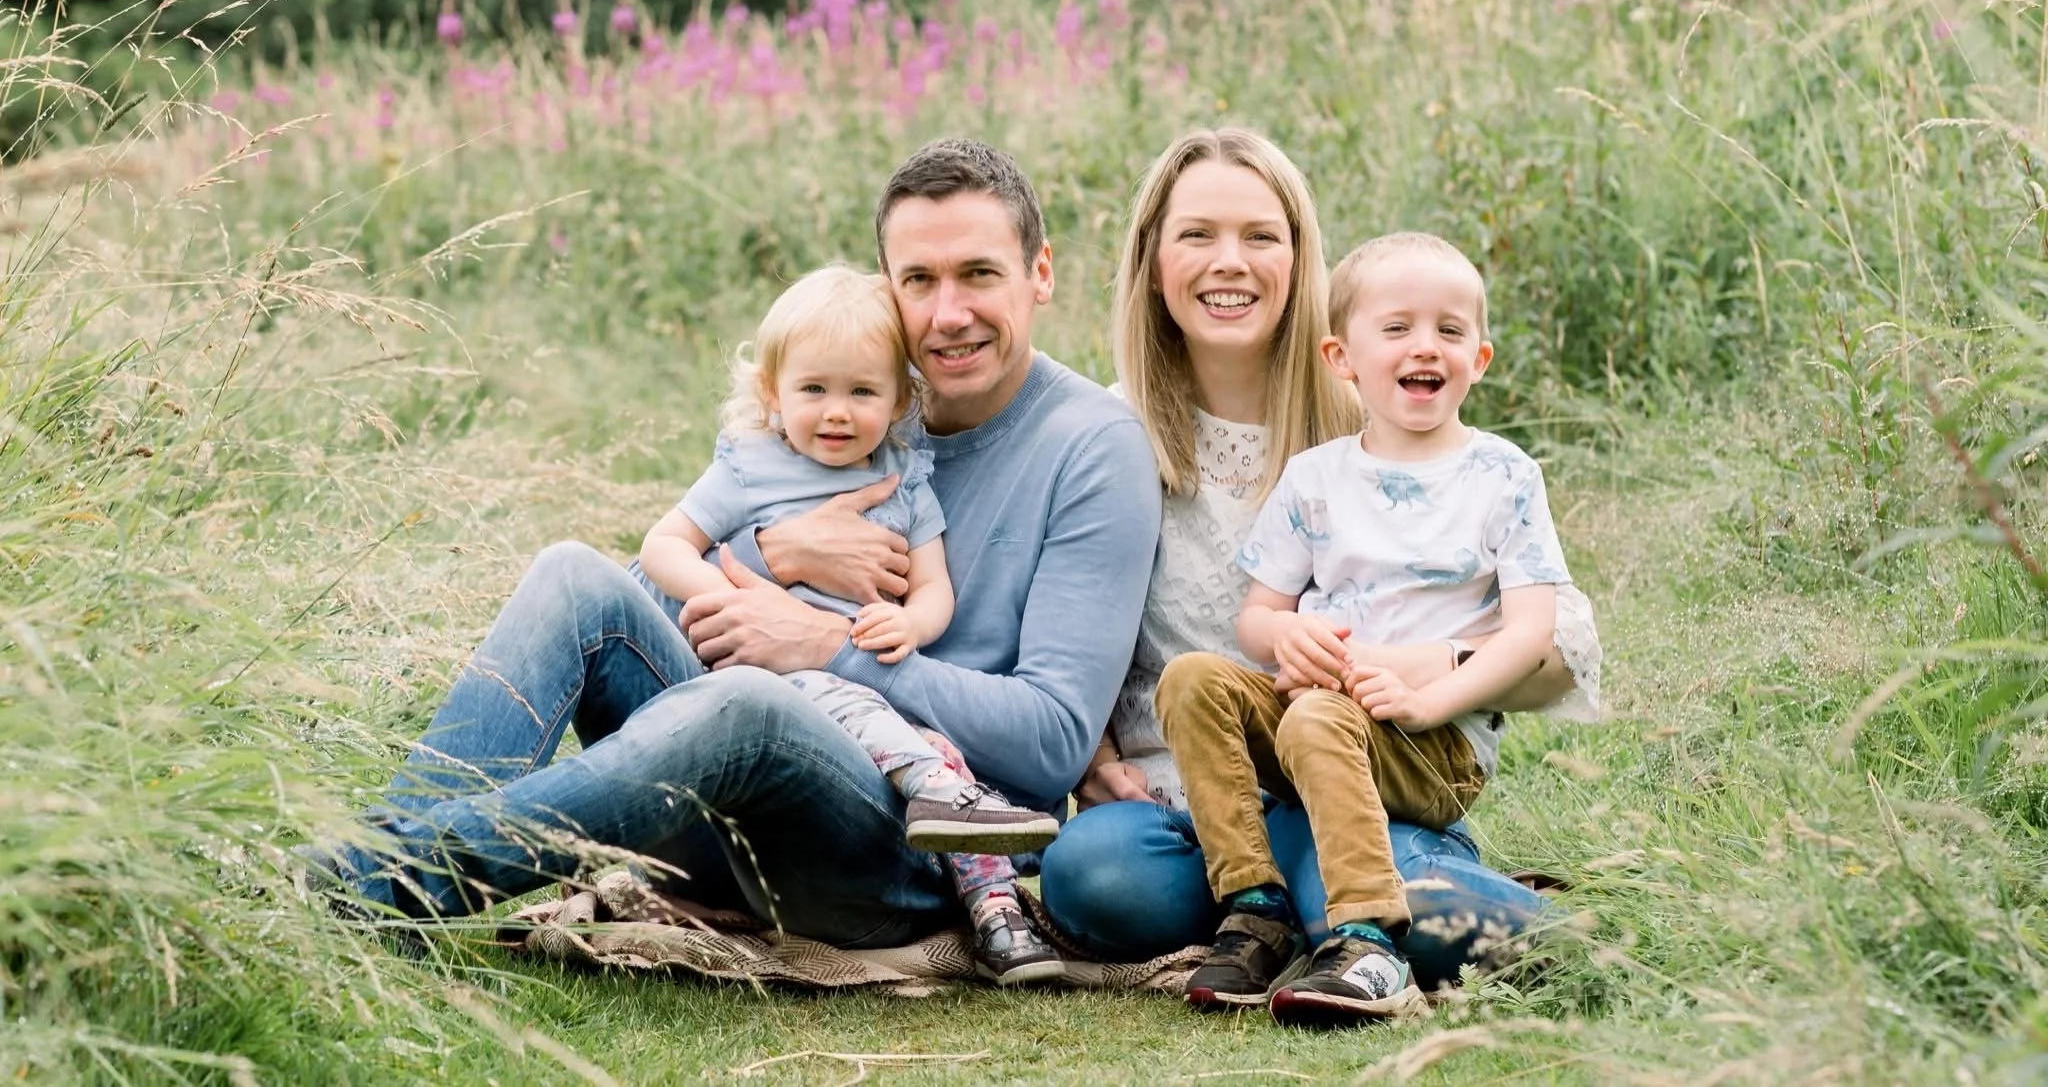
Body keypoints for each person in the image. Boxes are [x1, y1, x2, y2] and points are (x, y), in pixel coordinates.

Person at [303, 138, 1160, 980]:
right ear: (884, 291)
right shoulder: (836, 415)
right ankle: (379, 874)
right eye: (919, 281)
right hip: (735, 813)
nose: (949, 313)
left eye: (979, 273)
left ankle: (375, 878)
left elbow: (1051, 743)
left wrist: (829, 648)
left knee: (746, 700)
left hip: (914, 854)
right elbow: (649, 600)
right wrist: (770, 551)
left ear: (1039, 272)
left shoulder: (1089, 446)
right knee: (575, 573)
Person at [1037, 128, 1601, 990]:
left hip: (1356, 761)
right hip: (1186, 802)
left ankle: (1391, 903)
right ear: (1153, 261)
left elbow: (1562, 645)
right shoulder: (1109, 435)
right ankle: (1307, 905)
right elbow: (1059, 618)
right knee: (1093, 876)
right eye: (1197, 235)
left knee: (1379, 870)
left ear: (1301, 262)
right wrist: (1091, 751)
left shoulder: (1379, 413)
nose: (1230, 262)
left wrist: (1408, 664)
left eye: (1261, 236)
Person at [1162, 230, 1573, 1025]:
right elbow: (1257, 616)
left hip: (1434, 744)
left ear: (1479, 358)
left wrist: (1428, 698)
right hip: (1318, 720)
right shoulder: (1316, 477)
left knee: (1318, 713)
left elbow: (1530, 634)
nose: (1427, 346)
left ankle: (1368, 941)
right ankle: (1255, 908)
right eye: (1398, 328)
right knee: (1193, 679)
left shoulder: (1503, 478)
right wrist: (1284, 640)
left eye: (1450, 331)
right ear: (1341, 356)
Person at [631, 261, 1064, 983]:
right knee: (906, 747)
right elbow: (662, 545)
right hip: (772, 683)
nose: (837, 412)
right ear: (773, 392)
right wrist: (727, 591)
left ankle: (998, 915)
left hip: (867, 686)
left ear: (900, 399)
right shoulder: (751, 467)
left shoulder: (903, 481)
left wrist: (915, 628)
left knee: (935, 747)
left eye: (862, 391)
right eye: (814, 390)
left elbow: (934, 589)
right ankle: (943, 795)